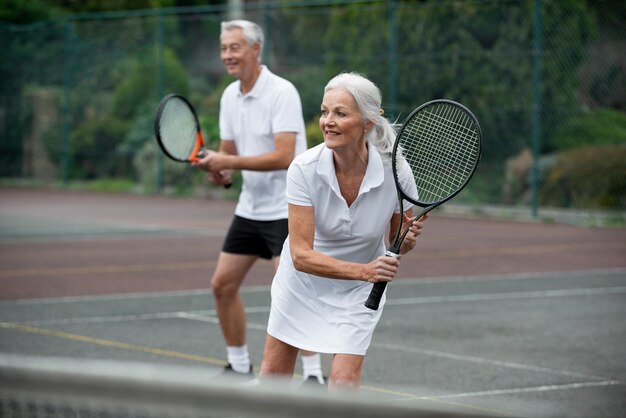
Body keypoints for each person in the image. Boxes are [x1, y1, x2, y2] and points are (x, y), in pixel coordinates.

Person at [259, 72, 428, 389]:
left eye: (340, 113)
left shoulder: (397, 171)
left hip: (359, 293)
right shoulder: (303, 169)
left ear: (367, 123)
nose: (327, 121)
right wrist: (364, 271)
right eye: (324, 111)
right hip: (302, 284)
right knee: (272, 379)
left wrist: (406, 243)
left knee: (343, 383)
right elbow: (300, 256)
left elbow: (396, 242)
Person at [192, 20, 325, 384]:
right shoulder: (229, 96)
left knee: (293, 294)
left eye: (235, 47)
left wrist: (228, 162)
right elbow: (229, 153)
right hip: (249, 209)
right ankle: (237, 365)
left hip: (288, 209)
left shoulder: (282, 92)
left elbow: (284, 155)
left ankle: (314, 376)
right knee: (222, 285)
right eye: (224, 49)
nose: (227, 56)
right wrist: (221, 172)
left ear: (255, 50)